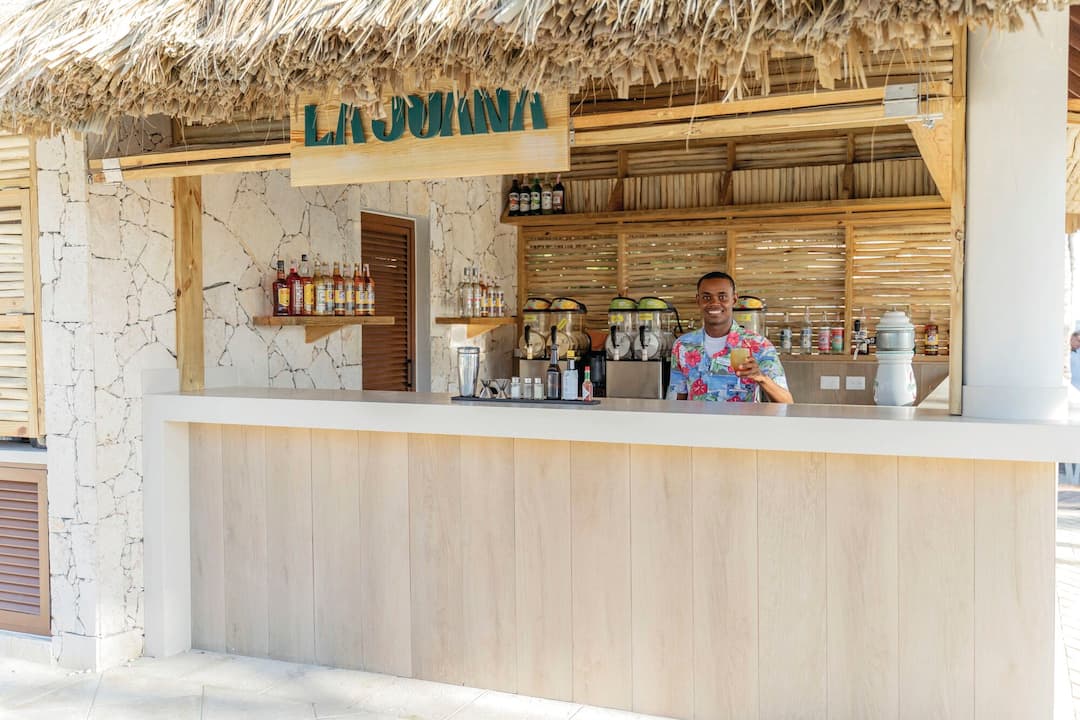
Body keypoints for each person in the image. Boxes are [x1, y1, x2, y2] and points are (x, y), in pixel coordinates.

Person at [668, 271, 793, 403]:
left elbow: (787, 402)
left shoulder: (759, 345)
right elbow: (676, 399)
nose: (714, 303)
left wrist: (761, 377)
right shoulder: (683, 345)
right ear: (698, 300)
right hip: (696, 418)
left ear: (734, 299)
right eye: (706, 297)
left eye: (722, 297)